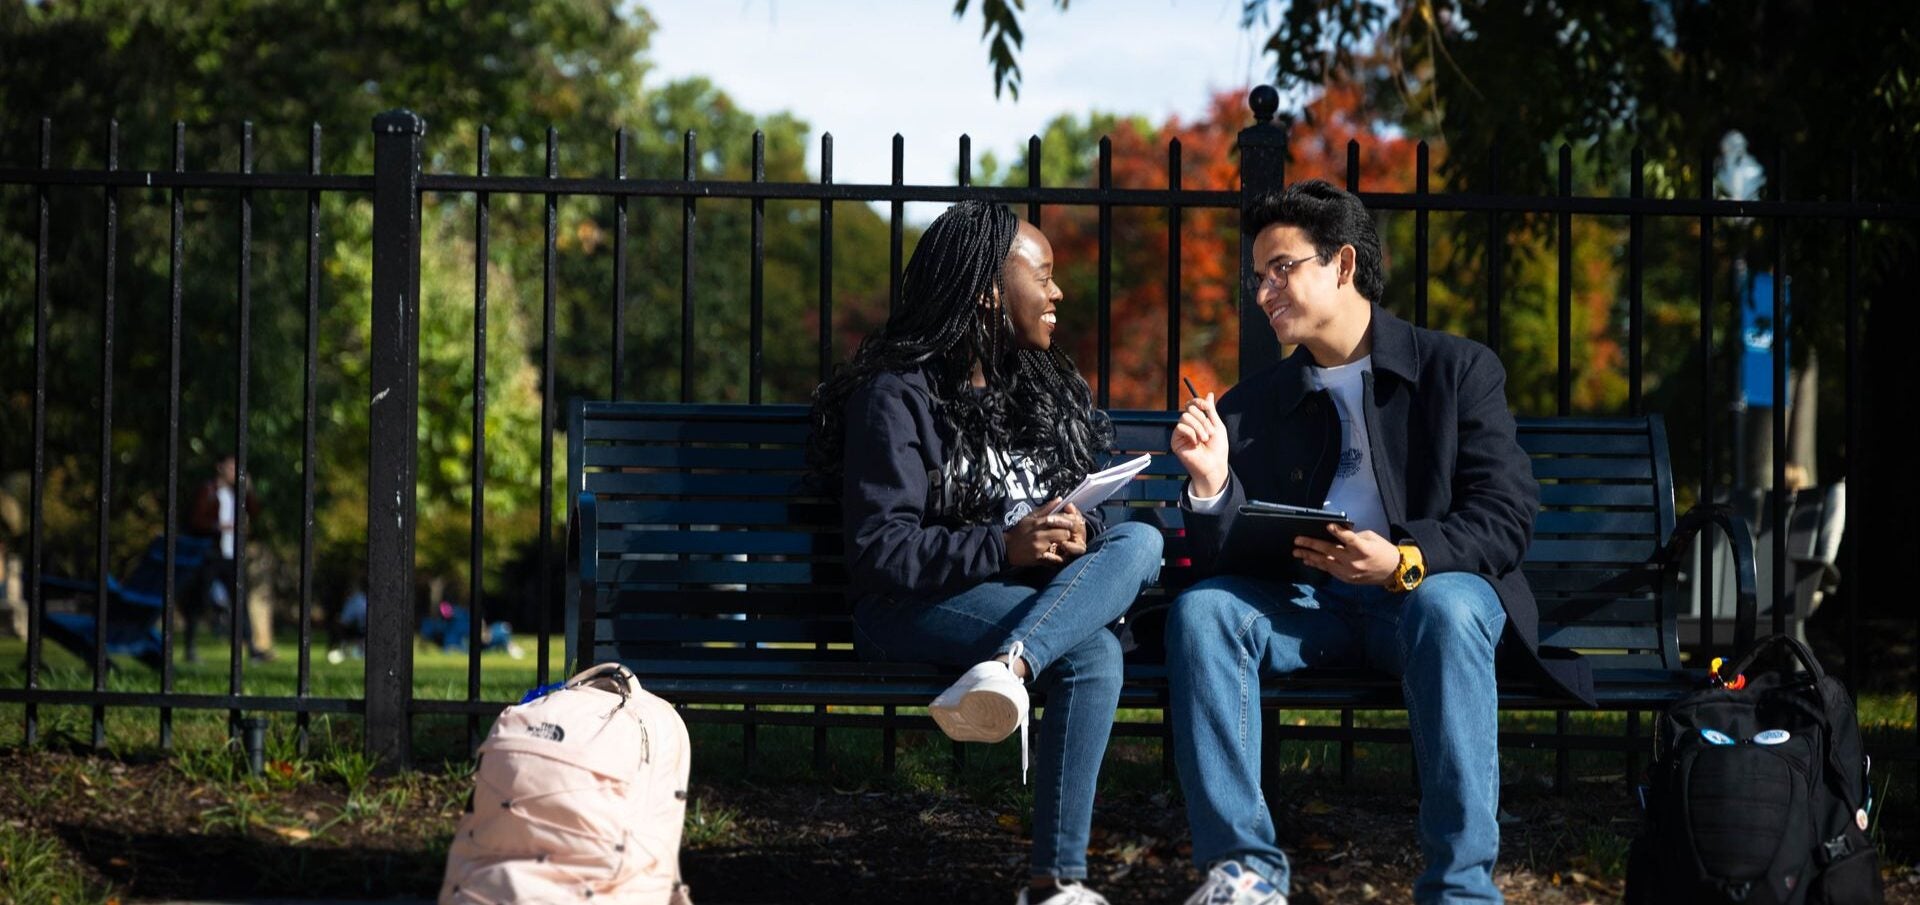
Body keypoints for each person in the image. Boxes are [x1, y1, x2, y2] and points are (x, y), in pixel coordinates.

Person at [1164, 180, 1593, 905]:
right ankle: (1245, 873)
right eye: (1257, 275)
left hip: (1421, 600)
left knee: (1450, 606)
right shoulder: (1252, 404)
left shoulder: (1455, 371)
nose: (1264, 289)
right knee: (1204, 610)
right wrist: (1210, 486)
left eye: (1282, 268)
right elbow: (1220, 556)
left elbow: (1507, 512)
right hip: (1312, 607)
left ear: (1344, 265)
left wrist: (1404, 561)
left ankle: (1459, 889)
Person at [808, 200, 1163, 905]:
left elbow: (1094, 510)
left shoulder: (1040, 390)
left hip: (1027, 602)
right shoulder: (898, 395)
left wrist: (1073, 535)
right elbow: (882, 551)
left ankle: (1011, 666)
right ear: (987, 291)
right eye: (1045, 274)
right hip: (915, 604)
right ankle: (1056, 882)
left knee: (1141, 537)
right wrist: (1007, 545)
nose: (1059, 292)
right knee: (1093, 652)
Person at [186, 451, 272, 662]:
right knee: (199, 600)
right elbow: (195, 520)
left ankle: (252, 648)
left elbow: (255, 512)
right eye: (232, 467)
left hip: (231, 554)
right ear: (220, 467)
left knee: (240, 601)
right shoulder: (208, 490)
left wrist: (248, 489)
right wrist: (219, 527)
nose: (235, 472)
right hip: (210, 554)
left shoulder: (237, 494)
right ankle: (190, 647)